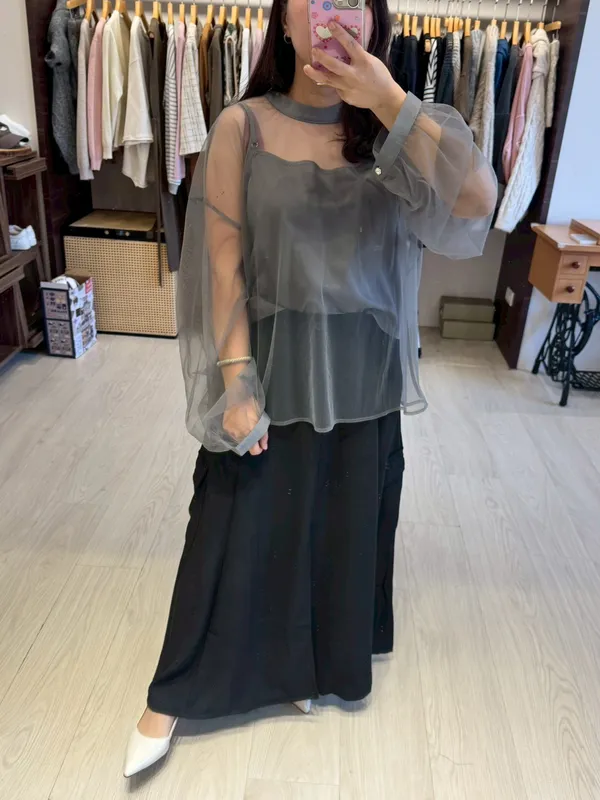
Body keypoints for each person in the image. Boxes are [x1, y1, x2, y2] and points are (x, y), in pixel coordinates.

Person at [124, 0, 497, 778]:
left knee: (338, 519)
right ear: (285, 23)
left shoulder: (398, 129)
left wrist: (388, 100)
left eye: (351, 0)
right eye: (314, 0)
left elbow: (476, 205)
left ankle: (308, 665)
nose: (332, 15)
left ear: (374, 22)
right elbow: (222, 260)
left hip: (365, 370)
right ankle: (175, 687)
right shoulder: (244, 126)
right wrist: (236, 382)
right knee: (232, 516)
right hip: (272, 358)